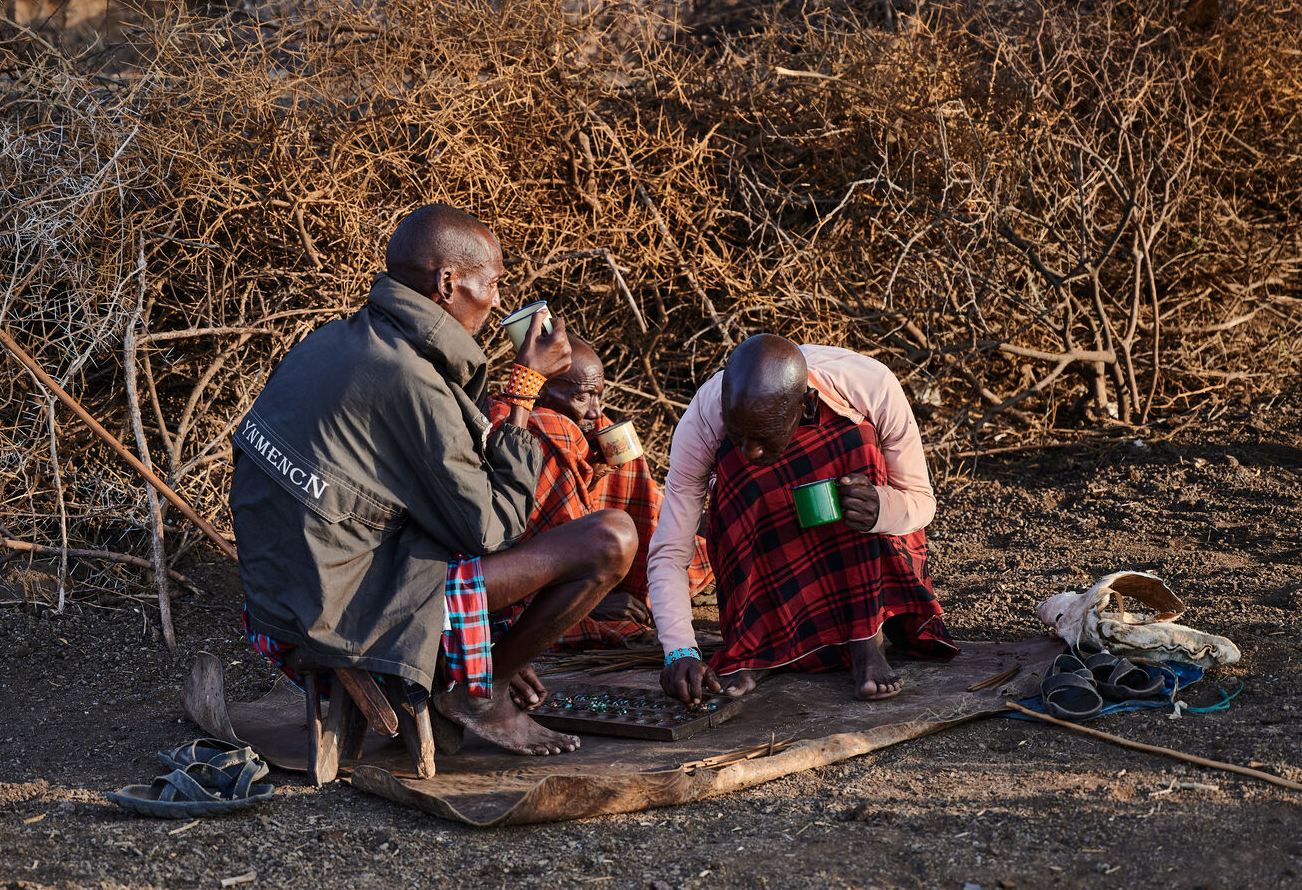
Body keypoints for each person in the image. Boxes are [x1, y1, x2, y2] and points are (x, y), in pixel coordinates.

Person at [229, 204, 638, 756]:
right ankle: (482, 695)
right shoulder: (408, 378)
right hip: (345, 614)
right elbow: (492, 529)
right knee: (612, 538)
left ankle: (478, 665)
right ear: (447, 283)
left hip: (275, 605)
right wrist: (524, 388)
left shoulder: (335, 340)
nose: (498, 302)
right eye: (491, 284)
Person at [648, 334, 957, 705]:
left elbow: (922, 502)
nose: (751, 450)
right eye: (739, 433)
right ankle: (757, 647)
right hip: (771, 554)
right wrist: (680, 651)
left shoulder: (869, 384)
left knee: (858, 442)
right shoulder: (703, 418)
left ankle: (866, 639)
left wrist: (879, 508)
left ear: (807, 405)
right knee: (734, 469)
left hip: (860, 546)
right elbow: (670, 549)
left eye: (763, 436)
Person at [487, 335, 713, 647]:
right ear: (539, 390)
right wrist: (590, 602)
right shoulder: (530, 430)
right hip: (505, 584)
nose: (595, 411)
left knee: (615, 444)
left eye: (598, 395)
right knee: (562, 433)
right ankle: (579, 594)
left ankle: (655, 577)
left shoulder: (580, 424)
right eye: (582, 397)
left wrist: (593, 475)